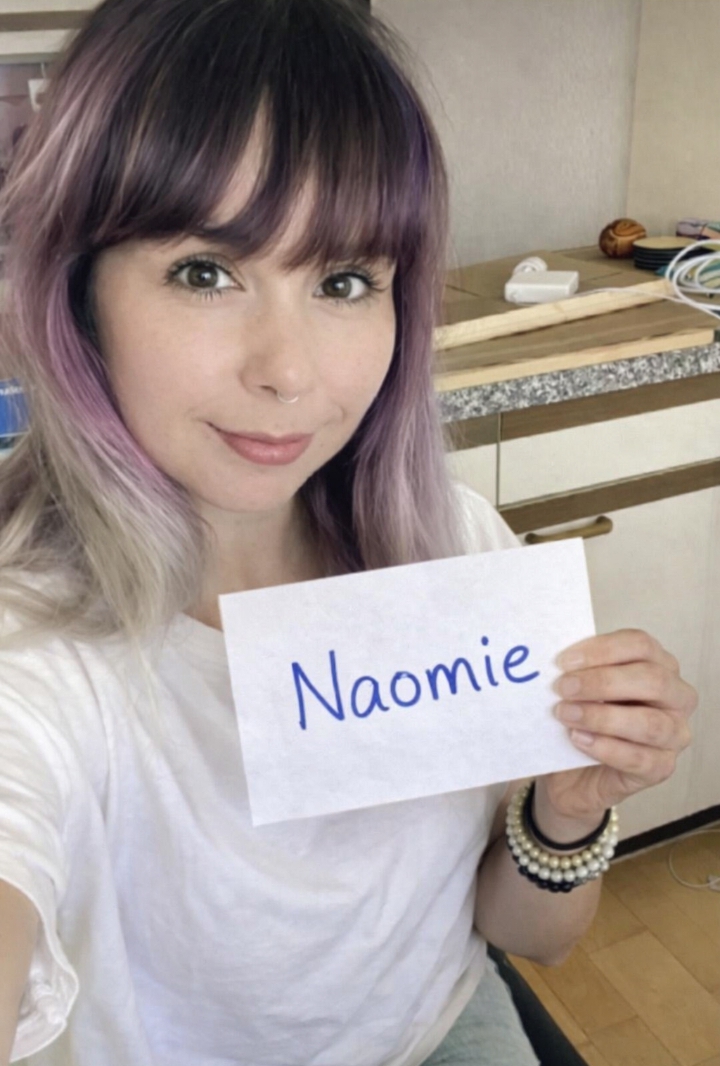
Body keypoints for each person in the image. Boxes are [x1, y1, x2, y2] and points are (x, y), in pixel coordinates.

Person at [0, 1, 696, 1064]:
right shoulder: (33, 643)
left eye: (343, 281)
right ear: (79, 290)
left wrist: (565, 809)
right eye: (205, 271)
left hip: (438, 1026)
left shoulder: (453, 545)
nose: (288, 371)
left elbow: (533, 937)